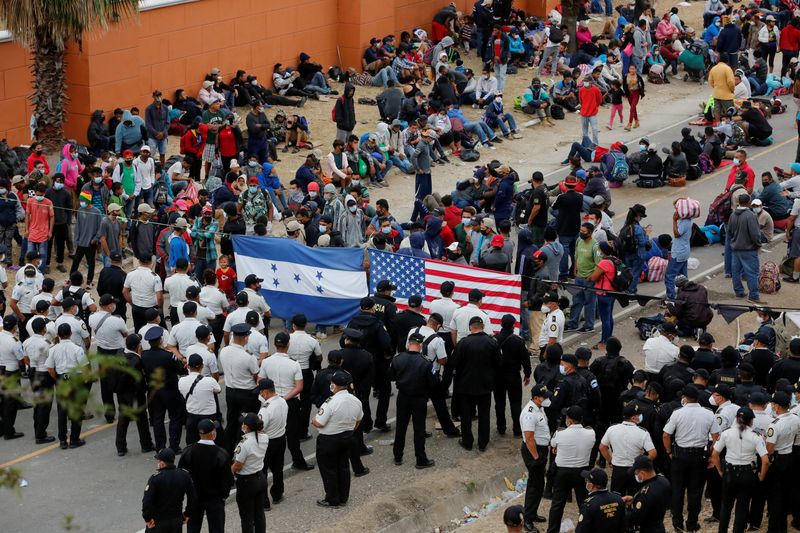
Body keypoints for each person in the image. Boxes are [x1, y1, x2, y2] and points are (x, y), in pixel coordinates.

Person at [662, 384, 714, 532]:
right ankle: (691, 524)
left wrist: (669, 452)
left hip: (680, 455)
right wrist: (711, 454)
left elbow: (666, 434)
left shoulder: (677, 413)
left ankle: (677, 523)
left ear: (684, 398)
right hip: (699, 456)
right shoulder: (708, 413)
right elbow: (716, 436)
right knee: (695, 491)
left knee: (677, 490)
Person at [257, 332, 313, 471]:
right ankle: (298, 461)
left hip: (270, 401)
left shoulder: (266, 361)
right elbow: (299, 387)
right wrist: (283, 399)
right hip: (289, 401)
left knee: (269, 432)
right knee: (292, 434)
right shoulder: (294, 364)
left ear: (275, 345)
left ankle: (266, 464)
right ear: (288, 345)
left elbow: (259, 381)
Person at [710, 406, 769, 533]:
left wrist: (720, 470)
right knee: (742, 508)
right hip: (747, 474)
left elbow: (714, 454)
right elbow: (765, 460)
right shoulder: (756, 436)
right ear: (751, 420)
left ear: (737, 419)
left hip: (730, 472)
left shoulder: (726, 433)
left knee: (726, 506)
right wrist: (762, 476)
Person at [312, 371, 363, 507]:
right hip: (347, 437)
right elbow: (358, 420)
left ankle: (332, 499)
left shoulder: (330, 402)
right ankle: (343, 497)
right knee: (344, 467)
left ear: (334, 385)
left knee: (329, 469)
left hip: (329, 440)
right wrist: (349, 430)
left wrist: (313, 421)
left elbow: (320, 422)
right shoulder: (356, 400)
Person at [452, 315, 501, 451]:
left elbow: (454, 363)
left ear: (470, 328)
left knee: (466, 415)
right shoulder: (491, 342)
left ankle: (467, 441)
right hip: (485, 385)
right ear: (483, 327)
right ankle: (483, 442)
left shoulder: (463, 343)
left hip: (465, 385)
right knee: (484, 414)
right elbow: (498, 364)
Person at [390, 330, 436, 468]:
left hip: (403, 396)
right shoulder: (426, 362)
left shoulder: (397, 359)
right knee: (419, 428)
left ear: (409, 344)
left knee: (401, 427)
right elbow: (433, 383)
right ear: (420, 345)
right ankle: (421, 460)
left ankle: (398, 456)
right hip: (419, 398)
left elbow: (391, 376)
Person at [545, 406, 595, 533]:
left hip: (562, 472)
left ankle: (552, 531)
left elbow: (553, 446)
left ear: (569, 420)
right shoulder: (590, 433)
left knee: (557, 504)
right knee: (583, 504)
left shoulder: (560, 433)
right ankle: (585, 529)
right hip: (581, 472)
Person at [177, 419, 233, 533]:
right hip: (215, 498)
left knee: (193, 528)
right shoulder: (221, 454)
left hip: (194, 497)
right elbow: (227, 480)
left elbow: (181, 476)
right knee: (216, 529)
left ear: (199, 433)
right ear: (213, 434)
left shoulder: (188, 451)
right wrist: (224, 495)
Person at [141, 327, 185, 454]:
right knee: (175, 417)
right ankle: (174, 446)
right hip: (170, 390)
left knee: (157, 419)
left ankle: (160, 447)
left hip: (154, 391)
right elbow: (180, 369)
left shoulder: (144, 356)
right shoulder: (168, 356)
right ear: (160, 340)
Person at [219, 323, 259, 455]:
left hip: (230, 391)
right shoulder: (248, 357)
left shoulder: (224, 351)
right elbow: (255, 376)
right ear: (246, 338)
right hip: (246, 394)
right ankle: (242, 451)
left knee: (231, 422)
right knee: (245, 423)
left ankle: (227, 450)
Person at [599, 403, 656, 495]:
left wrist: (610, 460)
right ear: (633, 418)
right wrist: (642, 465)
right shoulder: (643, 432)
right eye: (638, 415)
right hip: (635, 470)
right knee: (635, 498)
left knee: (616, 499)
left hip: (618, 469)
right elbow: (653, 453)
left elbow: (602, 447)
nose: (640, 416)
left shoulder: (612, 429)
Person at [88, 293, 128, 423]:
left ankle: (109, 414)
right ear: (110, 306)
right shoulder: (117, 320)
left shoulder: (92, 318)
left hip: (102, 353)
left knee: (105, 385)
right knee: (122, 382)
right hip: (117, 353)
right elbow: (125, 333)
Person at [765, 391, 800, 531]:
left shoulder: (774, 425)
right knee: (786, 492)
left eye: (773, 404)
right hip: (790, 456)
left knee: (775, 496)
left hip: (778, 460)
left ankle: (775, 527)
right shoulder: (795, 418)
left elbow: (769, 450)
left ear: (777, 406)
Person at [114, 334, 154, 456]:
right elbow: (140, 381)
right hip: (135, 395)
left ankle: (120, 447)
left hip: (121, 393)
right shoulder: (136, 361)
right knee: (141, 420)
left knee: (123, 418)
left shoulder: (119, 353)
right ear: (137, 346)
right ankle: (146, 444)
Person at [520, 384, 552, 531]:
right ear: (535, 398)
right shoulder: (529, 413)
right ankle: (527, 519)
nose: (547, 399)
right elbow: (529, 438)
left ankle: (532, 513)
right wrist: (536, 457)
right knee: (534, 485)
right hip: (534, 451)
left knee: (539, 484)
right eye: (544, 397)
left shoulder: (539, 408)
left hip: (540, 449)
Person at [141, 448, 197, 533]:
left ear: (162, 463)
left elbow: (147, 501)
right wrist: (187, 514)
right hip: (176, 521)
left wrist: (147, 518)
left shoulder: (155, 479)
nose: (158, 463)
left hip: (158, 522)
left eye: (158, 461)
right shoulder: (184, 475)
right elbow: (193, 497)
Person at [231, 412, 268, 533]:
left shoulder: (244, 443)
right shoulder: (264, 437)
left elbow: (238, 465)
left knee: (246, 517)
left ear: (246, 427)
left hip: (247, 482)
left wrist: (231, 470)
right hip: (260, 477)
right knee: (259, 514)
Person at [256, 378, 289, 509]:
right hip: (281, 439)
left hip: (268, 442)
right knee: (278, 469)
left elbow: (260, 427)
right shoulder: (282, 401)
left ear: (265, 392)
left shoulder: (265, 409)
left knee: (262, 471)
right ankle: (277, 493)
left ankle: (264, 502)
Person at [728, 193, 764, 304]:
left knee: (736, 272)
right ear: (749, 202)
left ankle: (739, 292)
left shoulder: (733, 215)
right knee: (752, 273)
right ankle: (753, 295)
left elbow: (729, 231)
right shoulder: (750, 215)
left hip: (735, 248)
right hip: (748, 249)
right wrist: (758, 244)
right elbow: (755, 234)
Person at [179, 354, 221, 445]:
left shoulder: (181, 381)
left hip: (192, 415)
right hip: (209, 416)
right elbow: (218, 390)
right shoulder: (210, 381)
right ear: (202, 366)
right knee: (212, 441)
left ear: (188, 366)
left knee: (192, 443)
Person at [623, 455, 671, 532]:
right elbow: (652, 502)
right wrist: (634, 499)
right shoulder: (664, 481)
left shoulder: (647, 493)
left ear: (642, 473)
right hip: (659, 526)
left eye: (636, 473)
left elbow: (634, 519)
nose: (636, 476)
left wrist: (621, 509)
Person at [566, 223, 599, 333]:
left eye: (584, 232)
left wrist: (592, 277)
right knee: (576, 300)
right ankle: (573, 323)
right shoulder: (579, 241)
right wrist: (575, 269)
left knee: (590, 303)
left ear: (590, 233)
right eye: (581, 230)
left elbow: (599, 265)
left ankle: (589, 325)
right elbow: (576, 256)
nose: (581, 233)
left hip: (589, 279)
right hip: (579, 277)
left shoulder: (595, 246)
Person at [575, 468, 626, 533]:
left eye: (587, 481)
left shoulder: (588, 505)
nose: (586, 482)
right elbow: (623, 525)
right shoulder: (618, 499)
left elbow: (581, 530)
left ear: (591, 485)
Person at [665, 204, 692, 299]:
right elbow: (675, 203)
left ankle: (671, 298)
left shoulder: (684, 223)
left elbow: (676, 234)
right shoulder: (688, 220)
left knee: (669, 276)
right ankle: (687, 295)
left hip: (679, 253)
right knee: (683, 276)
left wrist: (674, 220)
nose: (676, 212)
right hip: (684, 252)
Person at [578, 75, 602, 146]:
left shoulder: (596, 90)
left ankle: (595, 144)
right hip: (584, 113)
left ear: (591, 82)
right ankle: (585, 144)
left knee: (594, 130)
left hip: (593, 113)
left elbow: (599, 100)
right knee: (584, 131)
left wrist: (594, 107)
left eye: (586, 81)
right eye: (584, 81)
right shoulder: (581, 90)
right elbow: (580, 100)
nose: (585, 82)